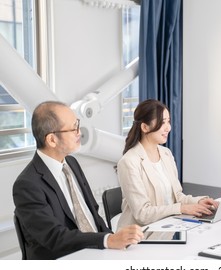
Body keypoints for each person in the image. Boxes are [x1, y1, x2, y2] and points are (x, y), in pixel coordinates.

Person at [12, 101, 144, 260]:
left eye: (78, 125)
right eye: (73, 128)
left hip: (99, 253)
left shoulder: (72, 164)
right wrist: (108, 241)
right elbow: (54, 237)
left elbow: (93, 214)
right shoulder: (27, 185)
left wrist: (115, 241)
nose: (79, 132)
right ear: (52, 140)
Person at [117, 99, 219, 228]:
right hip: (140, 234)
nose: (168, 128)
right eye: (162, 122)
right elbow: (142, 214)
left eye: (168, 121)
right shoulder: (129, 162)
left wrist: (199, 201)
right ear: (144, 127)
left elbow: (177, 197)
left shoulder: (166, 154)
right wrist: (182, 209)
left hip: (167, 226)